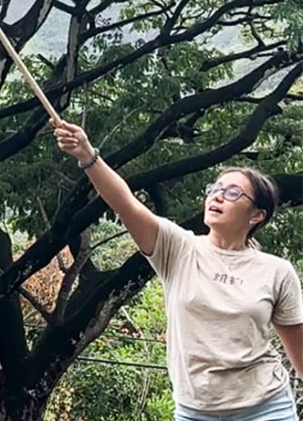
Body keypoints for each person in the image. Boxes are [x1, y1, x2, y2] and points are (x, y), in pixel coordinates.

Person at [54, 119, 303, 421]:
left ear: (257, 215)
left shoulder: (276, 272)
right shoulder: (177, 248)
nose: (218, 195)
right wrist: (87, 154)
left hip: (266, 408)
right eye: (216, 188)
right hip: (195, 412)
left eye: (234, 193)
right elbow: (125, 202)